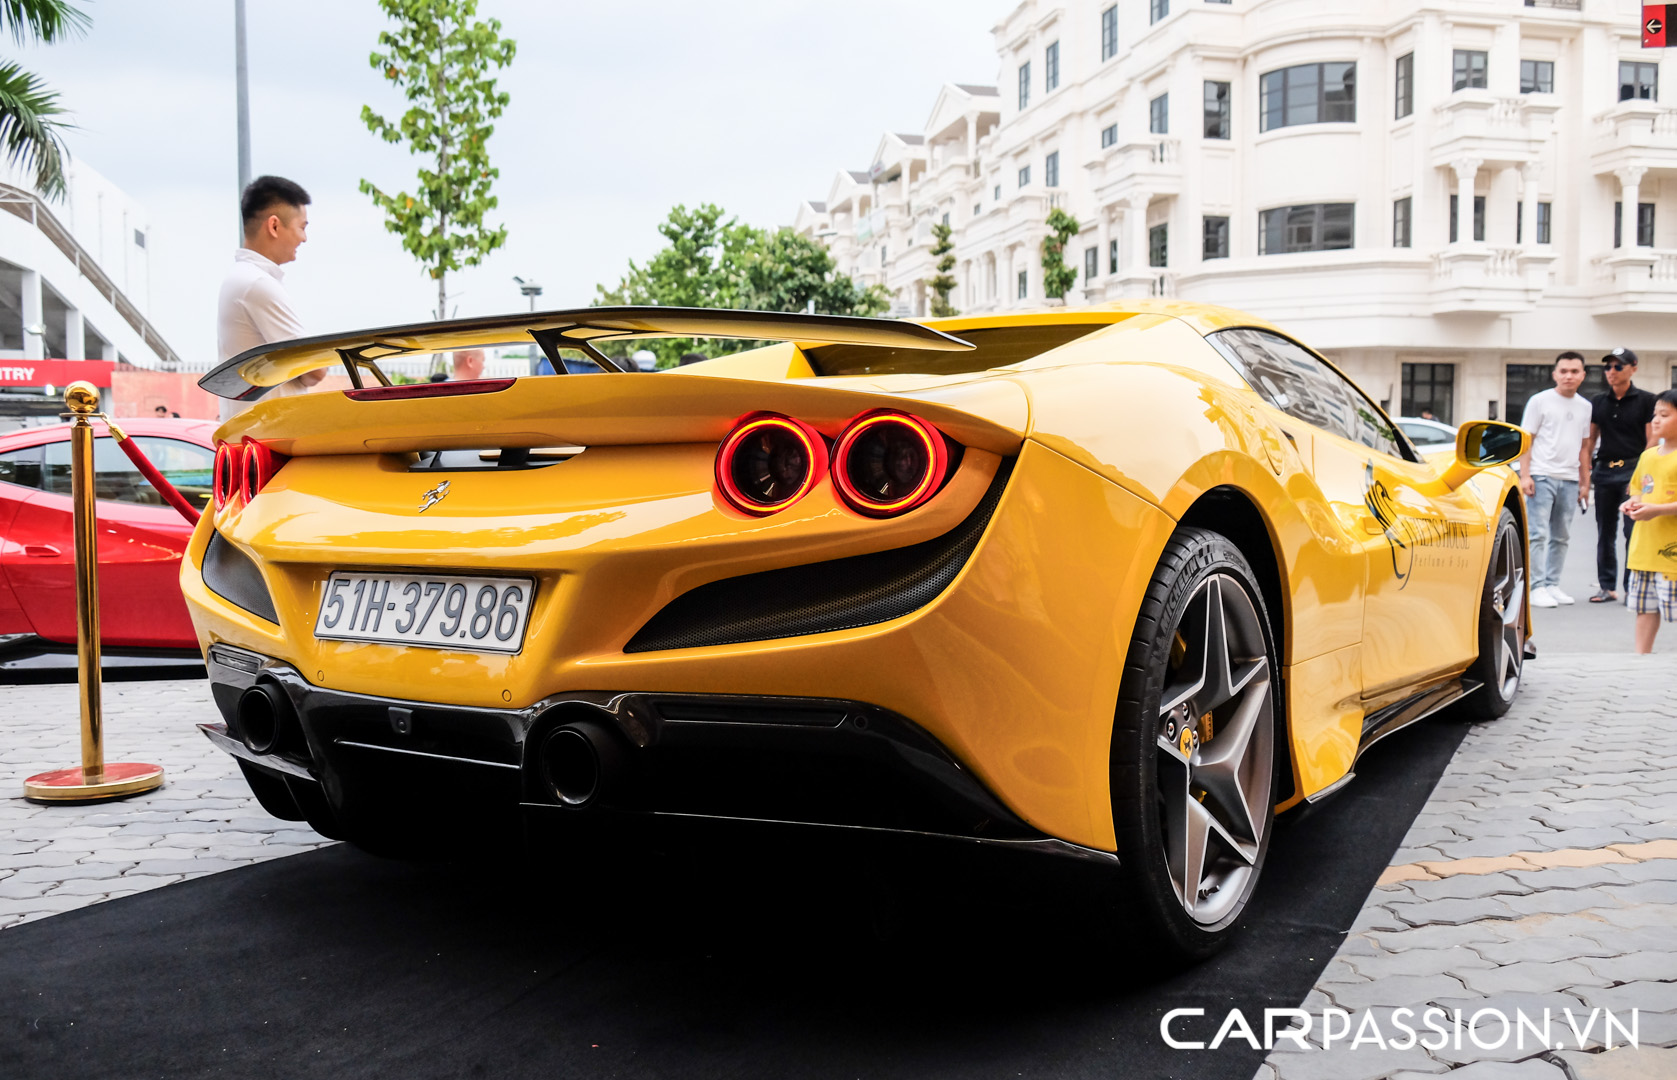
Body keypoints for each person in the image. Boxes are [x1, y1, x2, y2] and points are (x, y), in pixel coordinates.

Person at [217, 175, 317, 421]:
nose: (304, 238)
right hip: (271, 440)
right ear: (274, 226)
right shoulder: (258, 284)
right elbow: (315, 372)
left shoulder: (242, 279)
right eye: (302, 227)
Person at [1517, 351, 1592, 608]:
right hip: (1541, 475)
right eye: (1563, 371)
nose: (1568, 376)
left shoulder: (1585, 406)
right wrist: (1524, 475)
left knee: (1561, 536)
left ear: (1583, 375)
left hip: (1570, 479)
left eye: (1574, 371)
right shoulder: (1540, 401)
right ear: (1555, 374)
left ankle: (1552, 584)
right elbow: (1527, 440)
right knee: (1537, 533)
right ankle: (1535, 587)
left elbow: (1584, 447)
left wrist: (1585, 483)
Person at [1582, 347, 1657, 602]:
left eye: (1618, 367)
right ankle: (1607, 587)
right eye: (1608, 367)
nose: (1611, 372)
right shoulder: (1599, 401)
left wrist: (1640, 477)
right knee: (1605, 531)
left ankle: (1632, 587)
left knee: (1631, 531)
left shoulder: (1647, 400)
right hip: (1605, 471)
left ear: (1633, 368)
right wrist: (1586, 474)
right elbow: (1590, 439)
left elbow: (1652, 442)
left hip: (1633, 470)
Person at [1620, 389, 1677, 653]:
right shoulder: (1648, 455)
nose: (1656, 420)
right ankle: (1641, 660)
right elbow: (1638, 488)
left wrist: (1658, 510)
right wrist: (1633, 502)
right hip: (1643, 550)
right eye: (1655, 414)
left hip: (1671, 553)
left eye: (1664, 415)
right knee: (1645, 608)